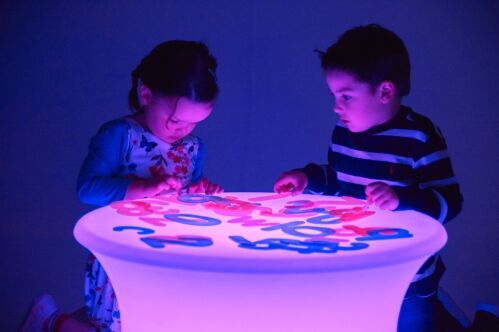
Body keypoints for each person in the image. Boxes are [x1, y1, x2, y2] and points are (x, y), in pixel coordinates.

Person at [20, 40, 223, 332]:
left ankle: (52, 321)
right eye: (177, 120)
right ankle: (50, 320)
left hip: (170, 251)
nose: (184, 130)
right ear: (146, 94)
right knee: (118, 325)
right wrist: (142, 189)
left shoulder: (193, 147)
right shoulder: (120, 135)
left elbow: (182, 195)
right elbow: (87, 188)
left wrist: (198, 193)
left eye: (194, 123)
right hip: (123, 252)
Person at [273, 24, 464, 331]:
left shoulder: (418, 136)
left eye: (346, 96)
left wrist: (401, 200)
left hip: (409, 281)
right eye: (334, 96)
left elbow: (451, 201)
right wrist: (307, 178)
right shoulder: (343, 133)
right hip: (355, 268)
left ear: (385, 91)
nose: (336, 107)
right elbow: (339, 180)